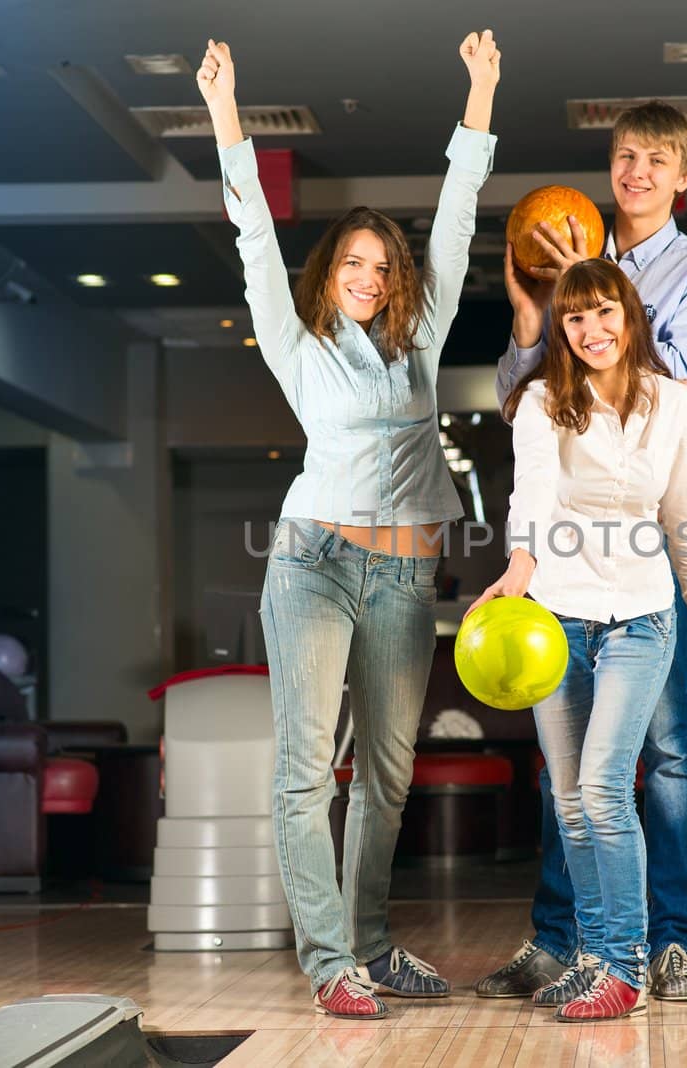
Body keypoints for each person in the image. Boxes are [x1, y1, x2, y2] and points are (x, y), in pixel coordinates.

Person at [194, 31, 500, 1019]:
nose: (367, 275)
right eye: (352, 262)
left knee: (388, 778)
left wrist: (481, 91)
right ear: (329, 272)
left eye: (382, 263)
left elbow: (455, 222)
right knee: (303, 770)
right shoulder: (295, 343)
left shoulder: (422, 343)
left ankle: (368, 942)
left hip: (406, 577)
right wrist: (224, 113)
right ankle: (329, 962)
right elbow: (250, 235)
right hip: (313, 564)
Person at [480, 100, 687, 1003]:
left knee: (658, 760)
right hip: (561, 585)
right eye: (624, 155)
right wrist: (534, 313)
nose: (635, 170)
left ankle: (658, 948)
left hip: (647, 578)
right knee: (577, 790)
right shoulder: (571, 262)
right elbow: (524, 416)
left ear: (682, 176)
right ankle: (576, 947)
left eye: (657, 158)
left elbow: (679, 410)